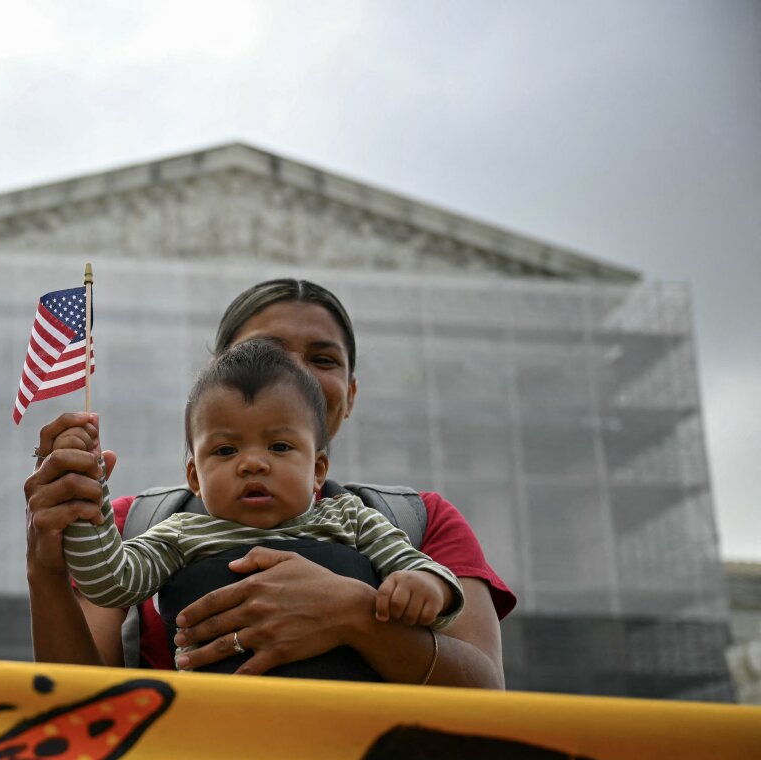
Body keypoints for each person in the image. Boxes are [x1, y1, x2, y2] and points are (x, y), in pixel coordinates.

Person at [25, 278, 514, 685]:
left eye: (323, 360)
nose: (293, 375)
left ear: (350, 393)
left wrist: (355, 614)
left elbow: (483, 693)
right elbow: (79, 697)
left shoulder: (409, 520)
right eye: (264, 355)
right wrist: (49, 560)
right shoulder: (146, 526)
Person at [53, 339, 463, 677]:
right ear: (194, 476)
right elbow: (109, 582)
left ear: (318, 469)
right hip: (217, 735)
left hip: (347, 735)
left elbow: (418, 569)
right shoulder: (178, 534)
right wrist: (89, 501)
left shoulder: (352, 519)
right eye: (226, 449)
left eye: (279, 447)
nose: (252, 463)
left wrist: (427, 588)